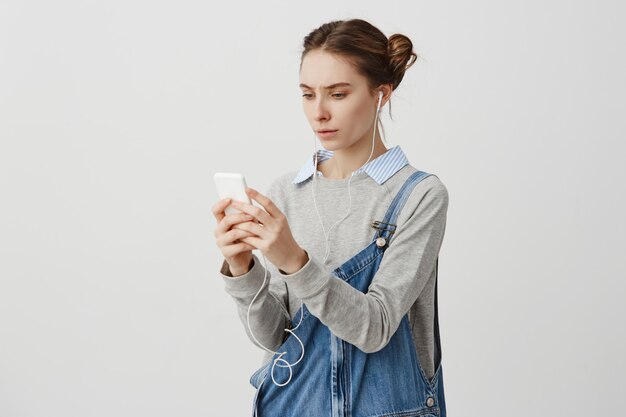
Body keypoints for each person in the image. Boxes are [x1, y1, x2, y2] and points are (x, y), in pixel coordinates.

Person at [212, 18, 449, 417]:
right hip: (294, 406)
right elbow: (275, 339)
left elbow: (374, 328)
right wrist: (242, 268)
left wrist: (293, 260)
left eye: (338, 94)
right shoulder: (287, 191)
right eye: (307, 95)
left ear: (381, 95)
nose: (318, 113)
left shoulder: (420, 195)